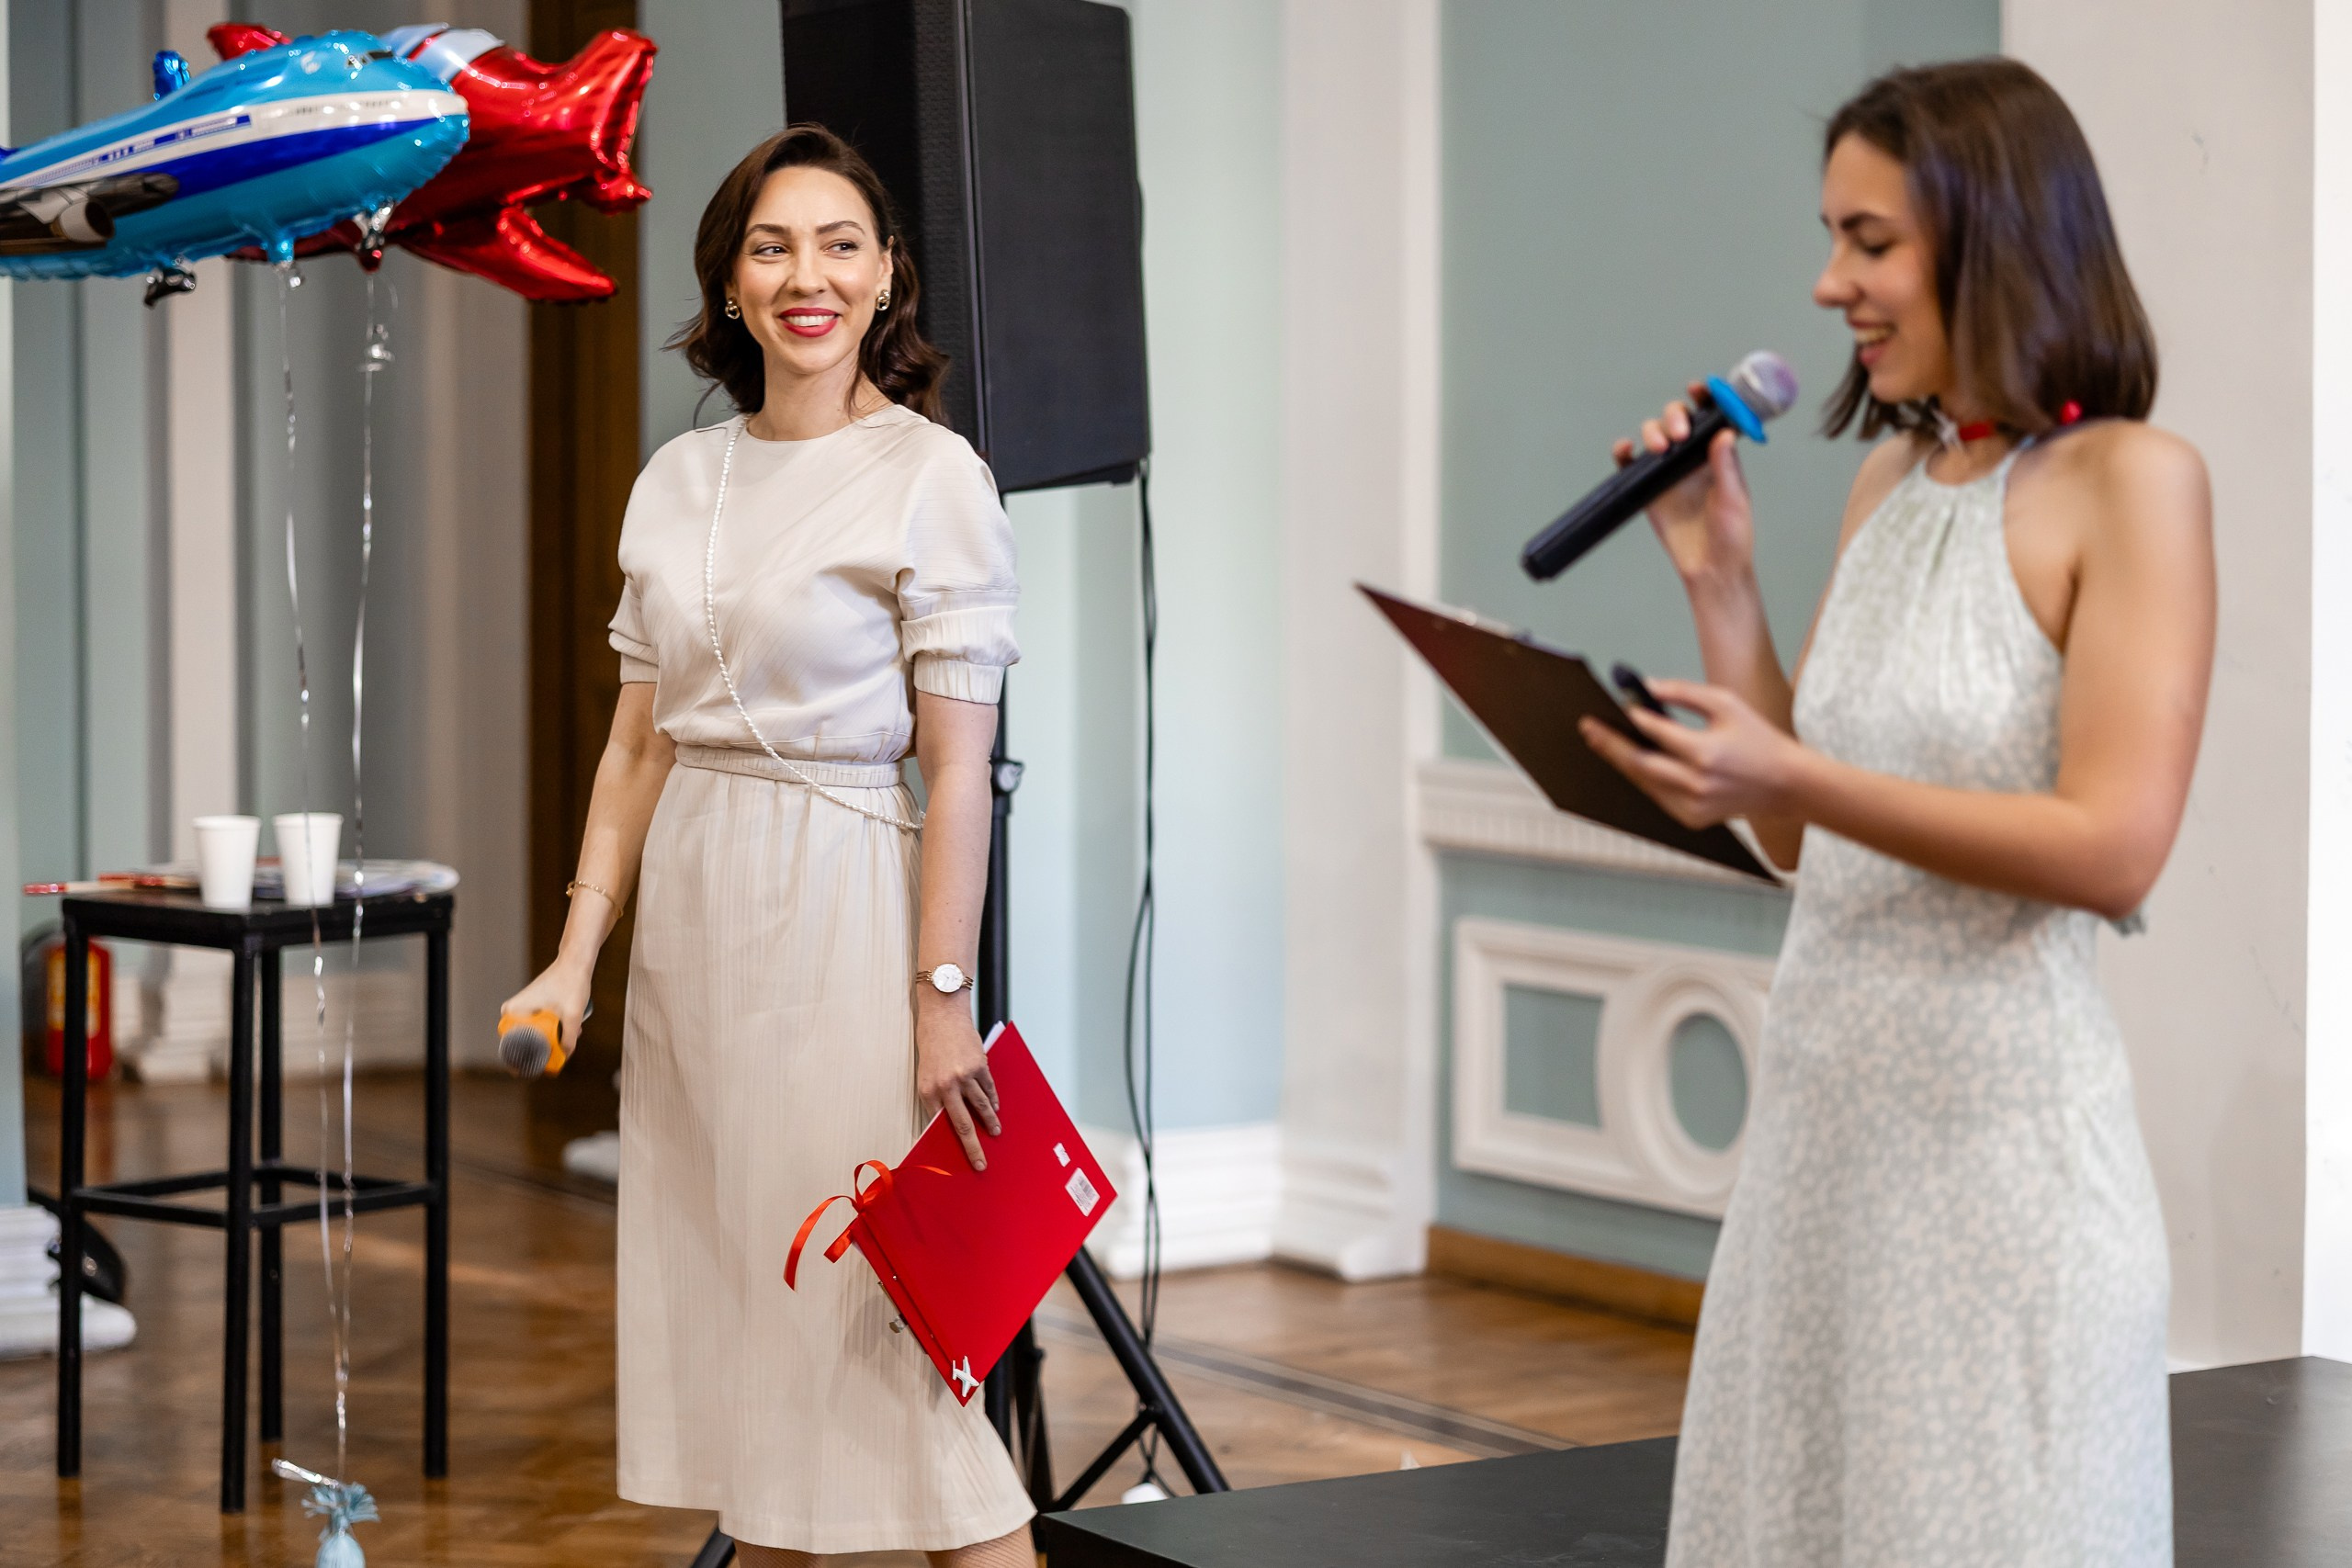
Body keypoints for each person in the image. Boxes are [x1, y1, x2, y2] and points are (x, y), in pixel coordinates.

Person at [1579, 61, 2212, 1566]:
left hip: (2000, 1185)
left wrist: (1790, 775)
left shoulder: (2136, 483)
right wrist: (1716, 571)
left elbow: (2116, 841)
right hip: (1820, 1158)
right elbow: (1807, 839)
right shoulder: (1889, 484)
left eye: (1869, 242)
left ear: (1988, 236)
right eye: (1833, 238)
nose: (1829, 283)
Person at [501, 126, 1035, 1566]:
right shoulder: (678, 480)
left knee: (891, 1355)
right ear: (731, 284)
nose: (809, 274)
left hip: (844, 908)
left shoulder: (935, 477)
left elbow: (960, 766)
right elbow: (637, 743)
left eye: (840, 244)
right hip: (696, 928)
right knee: (763, 1364)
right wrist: (572, 961)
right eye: (772, 245)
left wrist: (941, 1003)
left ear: (884, 282)